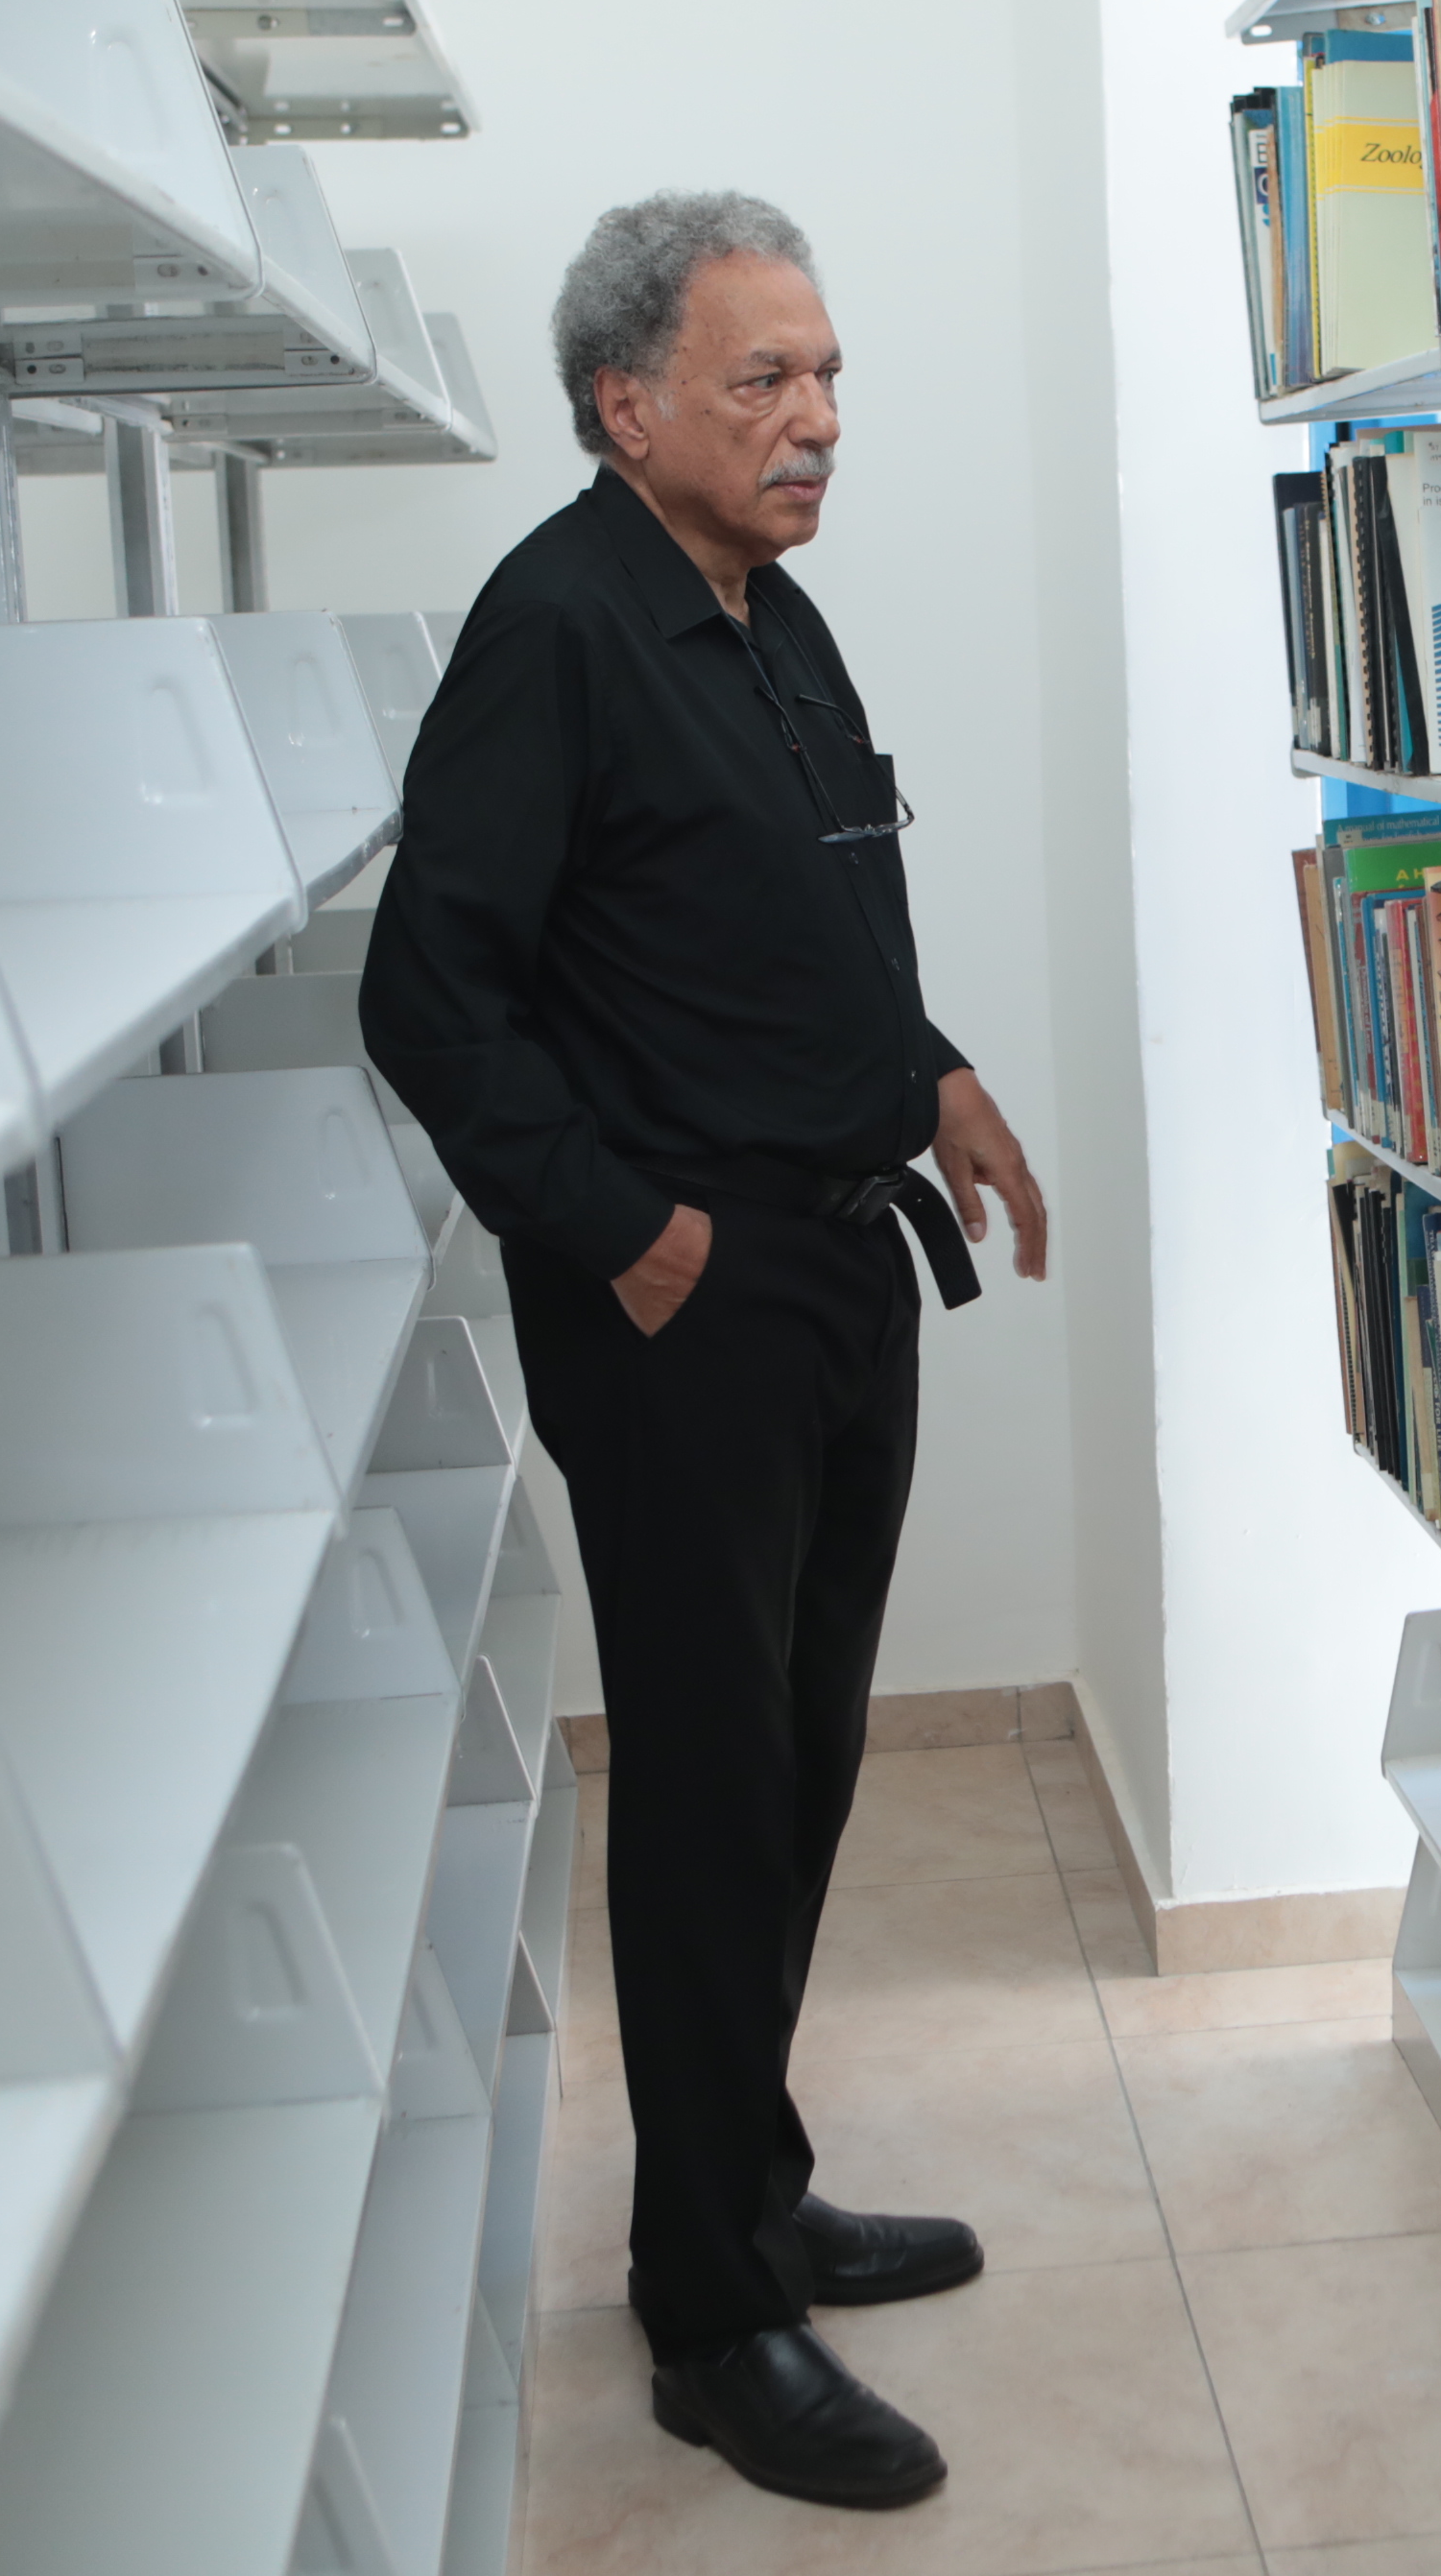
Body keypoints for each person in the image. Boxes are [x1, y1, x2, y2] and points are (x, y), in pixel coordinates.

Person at [360, 190, 1045, 2512]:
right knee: (710, 1790)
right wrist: (624, 1232)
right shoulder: (558, 629)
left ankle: (748, 2185)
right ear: (623, 405)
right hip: (687, 1306)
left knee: (804, 1762)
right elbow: (429, 993)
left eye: (827, 374)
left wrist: (932, 1075)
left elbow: (792, 921)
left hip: (841, 1269)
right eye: (763, 380)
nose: (815, 418)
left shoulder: (773, 614)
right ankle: (711, 2319)